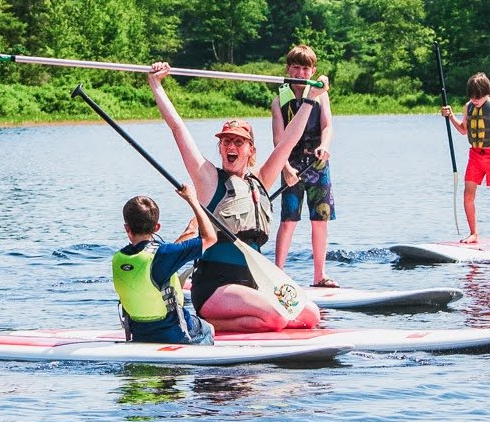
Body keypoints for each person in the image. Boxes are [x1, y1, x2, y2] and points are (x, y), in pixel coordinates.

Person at [146, 61, 321, 332]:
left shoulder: (260, 180)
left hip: (253, 282)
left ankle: (254, 319)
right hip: (215, 286)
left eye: (238, 142)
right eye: (226, 141)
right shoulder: (208, 179)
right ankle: (205, 321)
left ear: (250, 150)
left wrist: (311, 98)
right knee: (275, 319)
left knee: (311, 316)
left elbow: (289, 140)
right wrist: (156, 85)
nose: (230, 145)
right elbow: (178, 129)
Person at [112, 186, 218, 345]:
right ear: (157, 227)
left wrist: (190, 230)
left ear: (127, 228)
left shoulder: (118, 259)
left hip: (140, 334)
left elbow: (153, 260)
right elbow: (210, 238)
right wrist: (193, 201)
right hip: (174, 334)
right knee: (208, 328)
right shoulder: (165, 254)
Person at [270, 43, 336, 286]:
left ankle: (320, 276)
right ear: (288, 69)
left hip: (318, 164)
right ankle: (278, 274)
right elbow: (279, 140)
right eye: (295, 68)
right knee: (288, 220)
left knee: (320, 220)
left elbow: (328, 127)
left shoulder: (321, 95)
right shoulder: (279, 101)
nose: (299, 74)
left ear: (312, 70)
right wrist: (286, 169)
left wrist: (325, 145)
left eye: (305, 69)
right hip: (292, 164)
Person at [442, 72, 490, 247]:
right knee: (468, 194)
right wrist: (450, 116)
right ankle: (473, 233)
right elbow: (463, 130)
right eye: (472, 97)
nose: (475, 100)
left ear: (487, 93)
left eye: (478, 97)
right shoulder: (468, 107)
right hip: (475, 156)